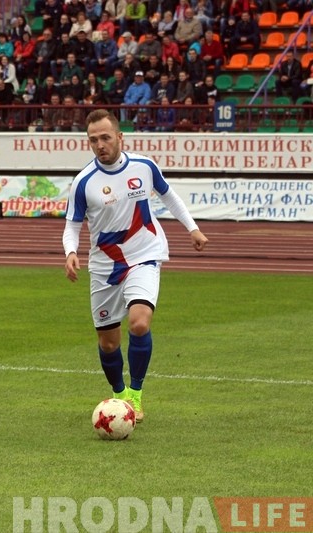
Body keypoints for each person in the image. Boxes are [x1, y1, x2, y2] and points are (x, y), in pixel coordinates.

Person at [62, 109, 208, 422]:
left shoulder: (144, 166)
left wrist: (192, 228)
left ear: (120, 137)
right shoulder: (83, 182)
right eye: (93, 140)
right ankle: (119, 395)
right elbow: (72, 224)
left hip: (145, 254)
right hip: (105, 266)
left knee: (140, 323)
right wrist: (70, 251)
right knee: (108, 342)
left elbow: (169, 197)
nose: (100, 144)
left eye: (105, 137)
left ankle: (137, 396)